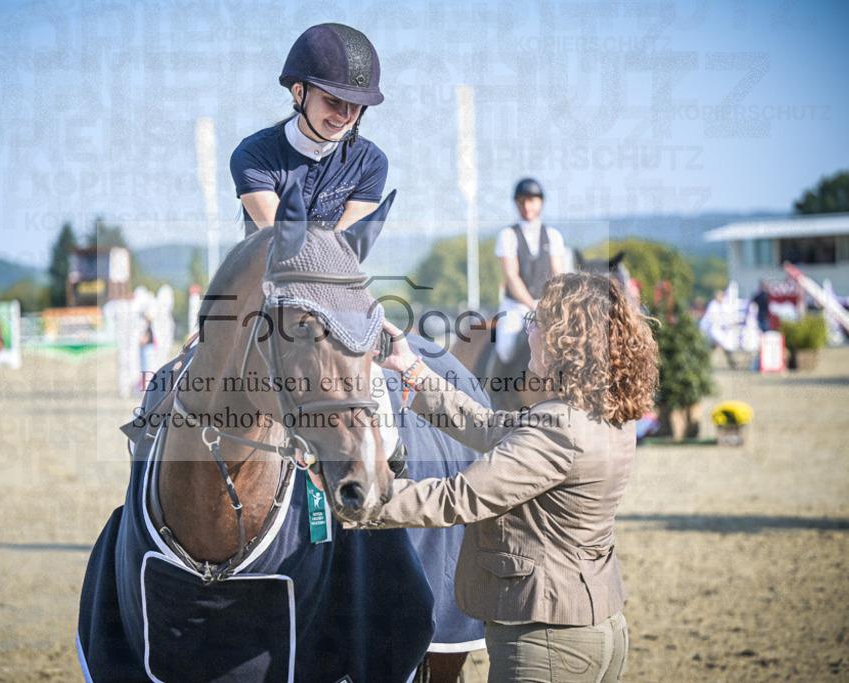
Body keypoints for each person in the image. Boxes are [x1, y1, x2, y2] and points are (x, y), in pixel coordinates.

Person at [358, 272, 659, 682]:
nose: (530, 333)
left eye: (538, 323)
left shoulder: (559, 428)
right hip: (594, 624)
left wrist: (361, 498)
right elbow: (487, 426)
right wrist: (410, 368)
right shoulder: (602, 414)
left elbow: (457, 498)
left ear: (565, 340)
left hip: (547, 640)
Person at [230, 23, 387, 236]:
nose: (345, 115)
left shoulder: (371, 162)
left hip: (333, 268)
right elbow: (284, 241)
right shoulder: (253, 155)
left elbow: (345, 245)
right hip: (269, 267)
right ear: (300, 93)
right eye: (332, 101)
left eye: (356, 105)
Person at [494, 177, 565, 365]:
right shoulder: (508, 235)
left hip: (545, 303)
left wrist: (553, 304)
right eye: (522, 201)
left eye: (531, 201)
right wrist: (533, 307)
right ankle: (497, 392)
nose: (527, 206)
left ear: (540, 202)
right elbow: (511, 276)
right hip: (516, 306)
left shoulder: (553, 235)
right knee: (506, 349)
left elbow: (558, 274)